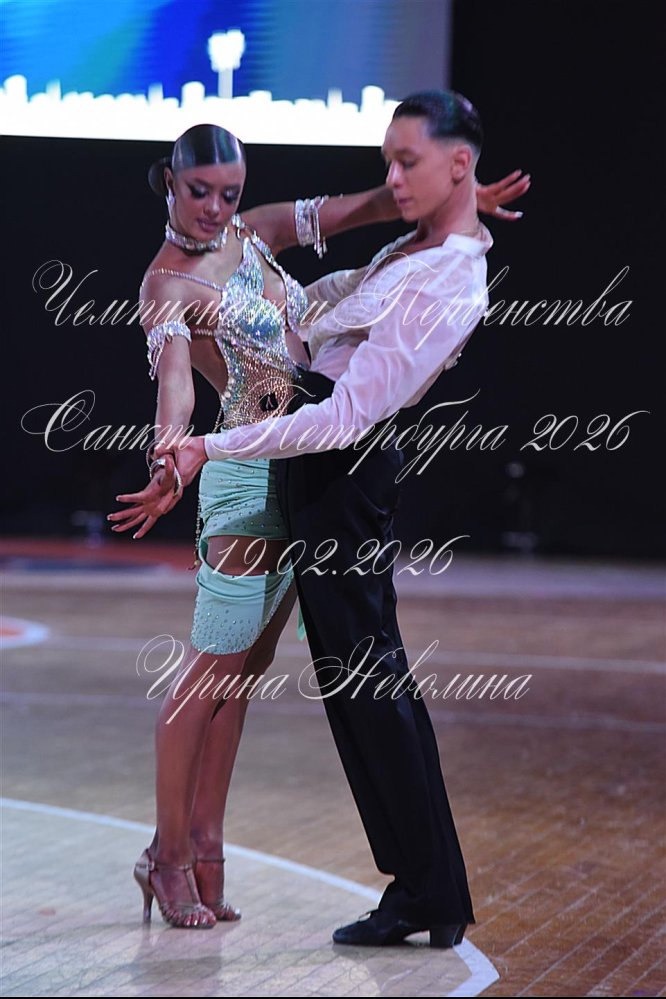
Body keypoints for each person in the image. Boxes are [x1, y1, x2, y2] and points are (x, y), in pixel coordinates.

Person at [110, 111, 529, 933]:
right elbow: (177, 389)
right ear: (170, 181)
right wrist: (170, 456)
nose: (215, 208)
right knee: (205, 677)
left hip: (295, 466)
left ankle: (206, 844)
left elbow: (360, 209)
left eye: (231, 192)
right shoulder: (166, 283)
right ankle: (166, 855)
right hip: (241, 472)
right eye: (200, 191)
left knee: (240, 680)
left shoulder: (253, 233)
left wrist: (457, 203)